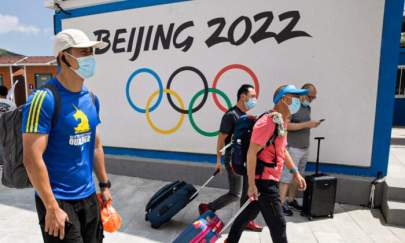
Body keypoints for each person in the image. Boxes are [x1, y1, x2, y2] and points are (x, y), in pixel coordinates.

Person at [22, 29, 111, 243]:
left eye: (91, 51)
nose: (90, 56)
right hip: (58, 201)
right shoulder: (43, 99)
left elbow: (96, 145)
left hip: (89, 198)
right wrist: (51, 207)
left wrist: (104, 186)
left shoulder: (91, 98)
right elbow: (32, 159)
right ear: (63, 57)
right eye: (83, 51)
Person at [225, 84, 308, 243]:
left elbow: (282, 150)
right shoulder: (267, 122)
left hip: (268, 179)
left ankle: (230, 241)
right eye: (295, 97)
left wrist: (295, 173)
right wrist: (251, 184)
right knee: (279, 226)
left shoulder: (281, 121)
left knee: (245, 216)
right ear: (284, 99)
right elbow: (251, 153)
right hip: (264, 182)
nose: (298, 101)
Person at [198, 84, 263, 232]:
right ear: (242, 96)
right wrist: (218, 161)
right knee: (235, 194)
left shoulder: (247, 117)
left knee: (248, 193)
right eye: (252, 96)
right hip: (233, 159)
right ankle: (208, 207)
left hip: (247, 159)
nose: (255, 99)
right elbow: (221, 139)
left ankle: (246, 220)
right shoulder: (231, 115)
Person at [279, 83, 319, 216]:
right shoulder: (293, 107)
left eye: (314, 98)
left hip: (304, 147)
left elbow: (302, 124)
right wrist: (307, 124)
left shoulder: (307, 108)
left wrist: (311, 124)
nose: (312, 100)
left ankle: (290, 200)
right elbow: (287, 125)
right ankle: (280, 203)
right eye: (310, 97)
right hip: (293, 147)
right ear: (303, 94)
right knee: (286, 177)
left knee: (297, 177)